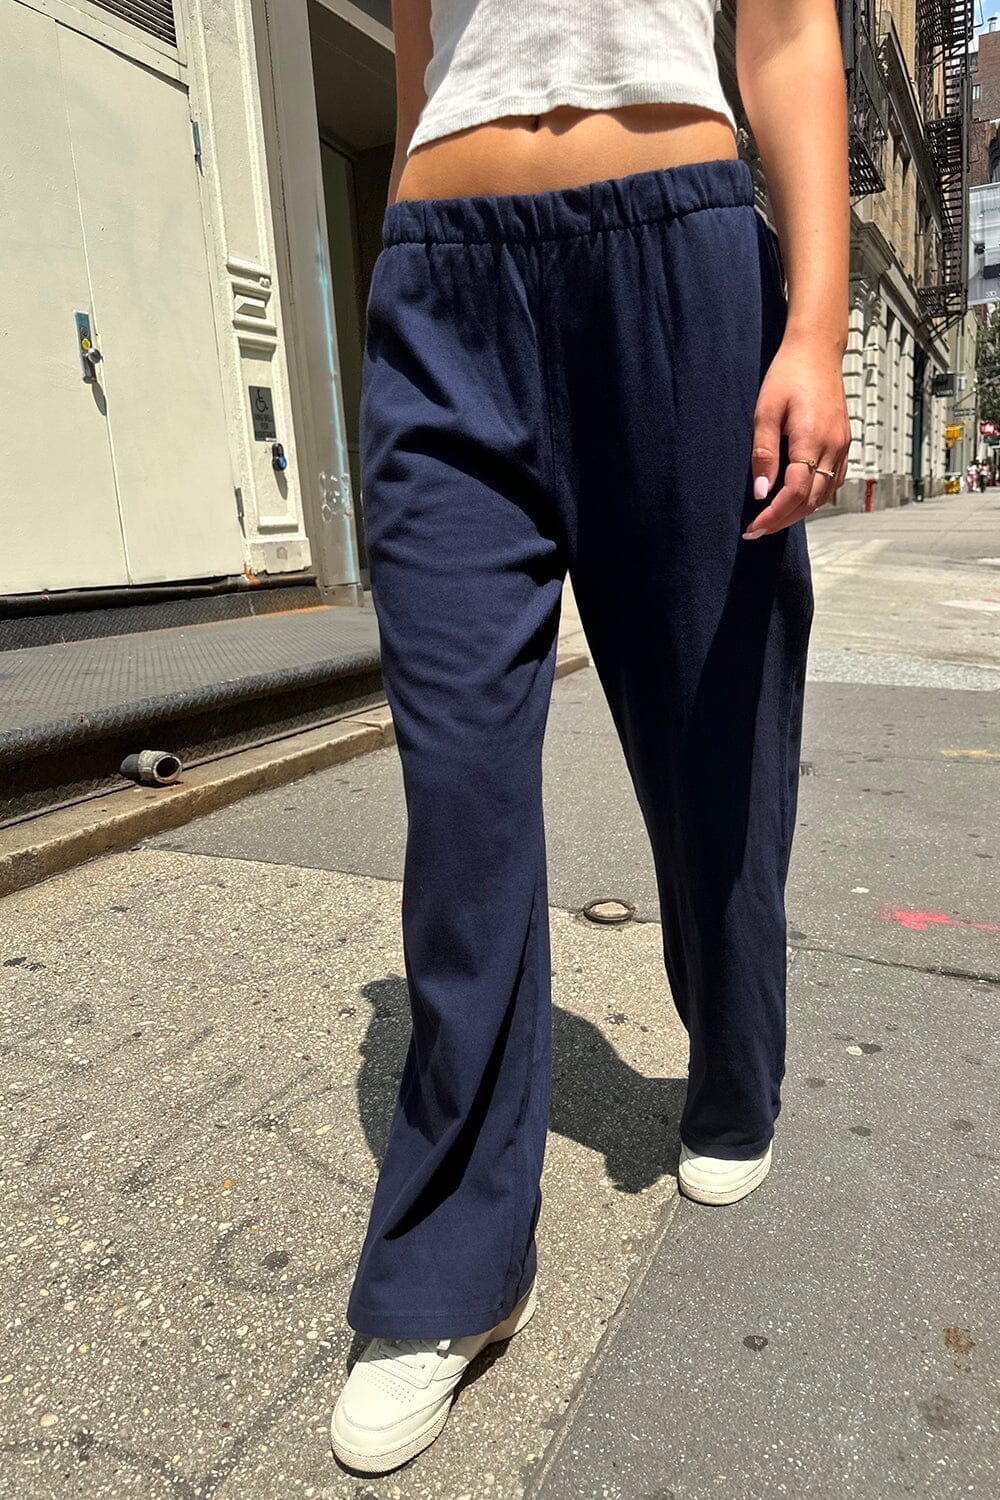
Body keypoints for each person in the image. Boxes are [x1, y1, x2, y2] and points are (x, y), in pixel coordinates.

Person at [331, 0, 851, 1474]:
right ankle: (452, 1264)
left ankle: (733, 1062)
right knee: (459, 798)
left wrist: (816, 323)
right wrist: (404, 258)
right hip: (442, 284)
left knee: (712, 743)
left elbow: (788, 34)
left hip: (676, 258)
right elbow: (419, 56)